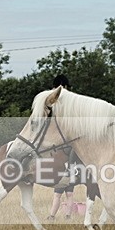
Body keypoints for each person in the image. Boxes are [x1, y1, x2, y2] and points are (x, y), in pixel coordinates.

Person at [47, 74, 75, 220]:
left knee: (57, 195)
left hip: (64, 169)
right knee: (70, 194)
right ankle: (68, 216)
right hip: (71, 167)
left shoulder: (60, 103)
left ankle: (51, 216)